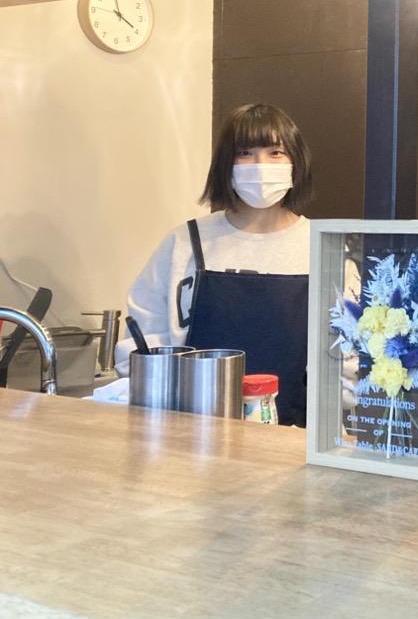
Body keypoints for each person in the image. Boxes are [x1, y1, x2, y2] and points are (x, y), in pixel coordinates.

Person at [116, 103, 313, 426]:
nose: (260, 165)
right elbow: (143, 339)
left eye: (275, 152)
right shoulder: (185, 243)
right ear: (225, 164)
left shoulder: (320, 246)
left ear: (297, 162)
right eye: (244, 153)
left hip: (296, 434)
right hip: (189, 429)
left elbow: (348, 358)